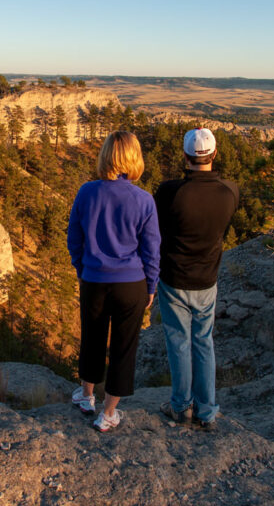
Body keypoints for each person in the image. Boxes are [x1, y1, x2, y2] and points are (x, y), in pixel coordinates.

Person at [67, 131, 160, 433]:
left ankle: (86, 395)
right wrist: (150, 286)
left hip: (94, 279)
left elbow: (74, 239)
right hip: (131, 282)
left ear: (105, 155)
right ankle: (108, 413)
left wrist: (82, 268)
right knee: (123, 347)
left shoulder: (87, 192)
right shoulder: (144, 200)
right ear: (134, 159)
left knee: (92, 337)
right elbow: (151, 248)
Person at [154, 127, 239, 430]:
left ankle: (181, 407)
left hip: (174, 277)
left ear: (185, 156)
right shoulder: (229, 191)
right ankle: (206, 412)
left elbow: (157, 232)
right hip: (207, 279)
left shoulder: (169, 192)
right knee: (204, 342)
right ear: (215, 154)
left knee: (179, 342)